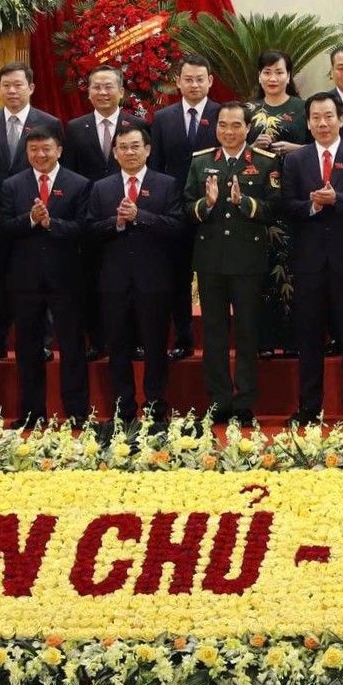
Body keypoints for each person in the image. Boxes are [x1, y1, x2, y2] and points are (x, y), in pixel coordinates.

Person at [281, 92, 343, 425]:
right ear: (308, 124)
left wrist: (338, 199)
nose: (322, 123)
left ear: (340, 119)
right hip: (309, 263)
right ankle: (309, 405)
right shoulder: (295, 161)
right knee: (309, 336)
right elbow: (287, 206)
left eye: (328, 116)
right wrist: (312, 206)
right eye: (316, 118)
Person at [187, 103, 281, 425]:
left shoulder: (265, 162)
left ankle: (244, 402)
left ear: (248, 128)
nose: (229, 131)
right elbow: (186, 208)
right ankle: (219, 400)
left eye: (236, 125)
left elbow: (275, 208)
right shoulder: (201, 161)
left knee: (246, 333)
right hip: (211, 260)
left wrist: (246, 203)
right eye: (223, 125)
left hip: (248, 260)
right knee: (213, 333)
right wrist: (207, 203)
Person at [0, 124, 93, 426]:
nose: (40, 155)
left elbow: (85, 228)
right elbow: (2, 228)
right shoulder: (12, 185)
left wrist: (51, 224)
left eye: (46, 149)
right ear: (26, 152)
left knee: (72, 346)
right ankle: (31, 414)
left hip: (67, 278)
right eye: (34, 150)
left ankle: (76, 412)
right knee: (27, 348)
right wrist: (30, 220)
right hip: (25, 280)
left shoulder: (79, 184)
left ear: (59, 150)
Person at [86, 123, 183, 427]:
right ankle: (123, 410)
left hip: (154, 281)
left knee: (155, 348)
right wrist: (115, 223)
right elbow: (89, 231)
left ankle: (156, 408)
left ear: (148, 150)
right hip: (113, 282)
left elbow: (177, 227)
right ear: (115, 153)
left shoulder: (166, 184)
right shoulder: (101, 188)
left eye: (135, 146)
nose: (129, 152)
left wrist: (140, 216)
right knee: (117, 348)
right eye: (123, 148)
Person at [0, 62, 63, 364]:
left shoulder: (48, 122)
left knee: (40, 279)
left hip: (37, 212)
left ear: (31, 88)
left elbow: (56, 168)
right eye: (6, 85)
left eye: (18, 85)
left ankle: (44, 341)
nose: (12, 90)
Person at [67, 66, 149, 365]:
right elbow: (70, 173)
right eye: (96, 87)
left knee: (134, 280)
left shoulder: (137, 125)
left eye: (109, 87)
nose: (103, 92)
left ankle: (137, 340)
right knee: (91, 279)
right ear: (88, 92)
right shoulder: (75, 127)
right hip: (91, 216)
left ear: (121, 91)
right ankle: (97, 340)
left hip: (131, 211)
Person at [149, 54, 220, 359]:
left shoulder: (223, 114)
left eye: (199, 79)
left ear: (210, 81)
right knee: (177, 277)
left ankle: (217, 340)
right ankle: (183, 338)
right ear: (177, 82)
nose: (194, 85)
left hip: (214, 208)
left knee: (214, 278)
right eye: (188, 79)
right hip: (175, 210)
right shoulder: (162, 118)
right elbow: (155, 166)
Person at [244, 50, 310, 359]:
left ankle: (296, 339)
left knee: (295, 266)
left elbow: (323, 145)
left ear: (289, 75)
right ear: (259, 76)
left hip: (294, 198)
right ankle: (265, 340)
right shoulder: (247, 110)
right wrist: (251, 147)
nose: (273, 78)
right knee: (260, 268)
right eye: (267, 72)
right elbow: (230, 149)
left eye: (279, 72)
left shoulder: (303, 108)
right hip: (258, 202)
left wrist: (296, 149)